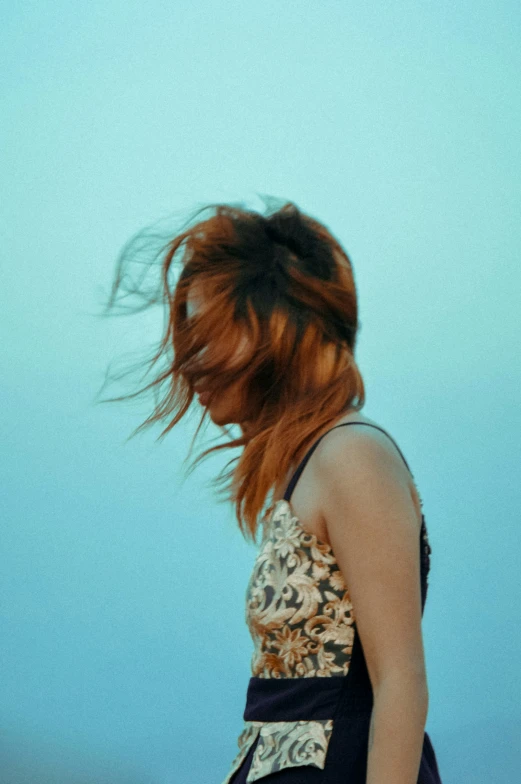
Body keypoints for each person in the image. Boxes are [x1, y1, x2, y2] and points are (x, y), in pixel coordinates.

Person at [99, 197, 443, 783]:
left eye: (207, 334)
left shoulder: (352, 456)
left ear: (273, 327)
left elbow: (400, 681)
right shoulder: (309, 463)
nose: (187, 363)